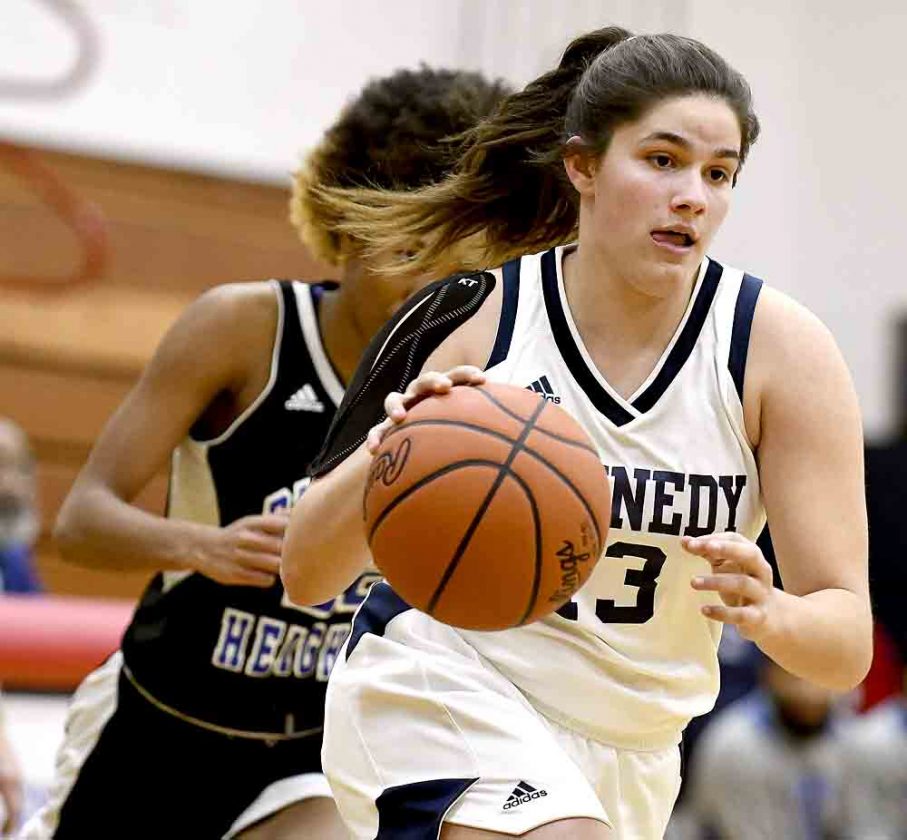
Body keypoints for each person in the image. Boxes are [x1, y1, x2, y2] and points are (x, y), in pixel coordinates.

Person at [281, 26, 872, 839]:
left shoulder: (780, 352)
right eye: (661, 160)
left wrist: (769, 612)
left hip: (634, 750)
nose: (692, 195)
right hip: (443, 686)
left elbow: (845, 644)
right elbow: (305, 573)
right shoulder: (471, 317)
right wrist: (398, 448)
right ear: (582, 166)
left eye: (718, 173)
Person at [20, 67, 510, 840]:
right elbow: (83, 521)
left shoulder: (470, 388)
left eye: (456, 262)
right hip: (162, 723)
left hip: (314, 752)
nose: (429, 284)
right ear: (346, 224)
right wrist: (202, 547)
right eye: (409, 248)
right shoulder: (243, 330)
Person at [678, 656, 848, 840]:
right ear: (769, 675)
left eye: (818, 676)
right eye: (795, 677)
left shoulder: (846, 738)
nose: (808, 692)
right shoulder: (736, 744)